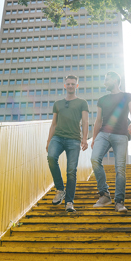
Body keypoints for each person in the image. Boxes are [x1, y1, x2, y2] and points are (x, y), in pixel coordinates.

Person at [90, 71, 131, 213]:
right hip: (103, 134)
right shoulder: (102, 99)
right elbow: (98, 121)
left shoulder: (127, 96)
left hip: (121, 135)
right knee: (94, 159)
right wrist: (94, 138)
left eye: (107, 79)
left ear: (116, 80)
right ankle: (104, 195)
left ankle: (119, 202)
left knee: (120, 168)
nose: (104, 82)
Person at [46, 75, 89, 212]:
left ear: (77, 86)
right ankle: (60, 189)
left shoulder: (82, 102)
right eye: (68, 84)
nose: (70, 86)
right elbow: (53, 124)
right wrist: (48, 141)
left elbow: (85, 121)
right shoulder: (57, 103)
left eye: (73, 84)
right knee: (51, 157)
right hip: (57, 137)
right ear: (65, 86)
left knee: (71, 171)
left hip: (74, 139)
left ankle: (69, 202)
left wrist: (84, 138)